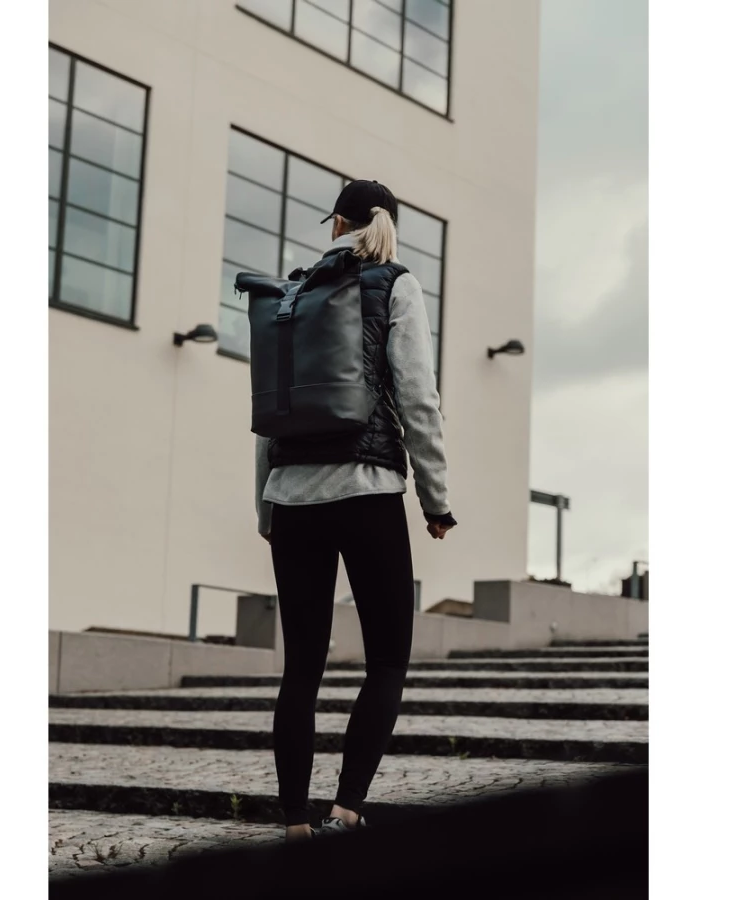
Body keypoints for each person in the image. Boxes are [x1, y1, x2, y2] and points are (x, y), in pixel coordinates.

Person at [254, 179, 457, 842]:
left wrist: (267, 507)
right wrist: (436, 500)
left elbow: (270, 412)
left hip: (293, 498)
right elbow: (418, 397)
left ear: (337, 224)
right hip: (368, 492)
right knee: (388, 661)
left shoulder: (292, 293)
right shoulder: (397, 284)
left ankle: (294, 823)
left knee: (302, 668)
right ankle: (345, 810)